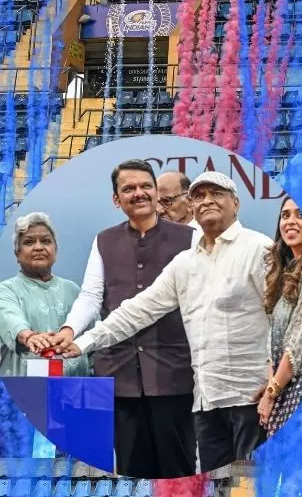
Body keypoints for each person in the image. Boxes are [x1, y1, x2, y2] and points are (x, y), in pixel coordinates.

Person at [61, 171, 273, 474]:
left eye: (217, 194)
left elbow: (280, 315)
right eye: (199, 196)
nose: (207, 201)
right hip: (207, 401)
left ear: (235, 203)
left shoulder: (258, 248)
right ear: (192, 207)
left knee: (252, 485)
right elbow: (136, 311)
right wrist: (81, 344)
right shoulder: (185, 263)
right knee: (213, 486)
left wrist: (274, 380)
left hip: (253, 398)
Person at [49, 159, 199, 479]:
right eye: (128, 188)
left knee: (180, 469)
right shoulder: (104, 240)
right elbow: (91, 296)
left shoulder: (190, 239)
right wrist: (69, 329)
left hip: (174, 370)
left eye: (146, 186)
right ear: (117, 200)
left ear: (158, 193)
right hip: (117, 371)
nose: (139, 193)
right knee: (131, 470)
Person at [253, 197, 302, 436]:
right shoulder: (289, 272)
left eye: (301, 215)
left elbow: (299, 344)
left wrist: (271, 392)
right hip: (283, 391)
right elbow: (271, 340)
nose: (291, 222)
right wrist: (271, 388)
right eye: (286, 216)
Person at [0, 213, 89, 377]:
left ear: (56, 250)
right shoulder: (6, 290)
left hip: (75, 391)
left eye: (46, 241)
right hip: (24, 394)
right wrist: (28, 336)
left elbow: (93, 336)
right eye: (29, 242)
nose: (39, 247)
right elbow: (10, 318)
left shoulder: (73, 290)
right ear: (17, 254)